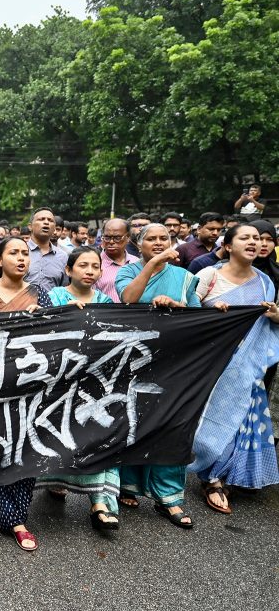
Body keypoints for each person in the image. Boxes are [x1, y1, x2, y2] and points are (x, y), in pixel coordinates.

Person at [0, 236, 52, 552]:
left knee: (24, 448)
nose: (21, 258)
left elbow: (56, 338)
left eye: (24, 254)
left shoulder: (40, 294)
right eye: (13, 253)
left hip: (30, 384)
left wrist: (40, 320)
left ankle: (16, 518)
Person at [189, 224, 279, 514]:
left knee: (242, 418)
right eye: (246, 238)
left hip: (249, 365)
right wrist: (212, 316)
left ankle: (224, 475)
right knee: (212, 419)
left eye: (258, 238)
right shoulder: (208, 276)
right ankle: (210, 476)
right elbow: (186, 315)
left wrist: (276, 316)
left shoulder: (265, 282)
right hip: (212, 363)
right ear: (227, 246)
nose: (254, 242)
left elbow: (268, 324)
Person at [116, 223, 200, 529]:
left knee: (172, 424)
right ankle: (128, 486)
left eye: (163, 238)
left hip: (175, 362)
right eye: (150, 239)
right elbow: (128, 300)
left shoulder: (186, 277)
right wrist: (152, 265)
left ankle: (169, 498)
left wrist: (178, 306)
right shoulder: (128, 271)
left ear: (173, 241)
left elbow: (197, 317)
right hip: (135, 360)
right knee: (132, 420)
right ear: (139, 245)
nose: (158, 242)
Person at [39, 246, 120, 531]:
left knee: (100, 434)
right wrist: (63, 313)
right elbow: (40, 329)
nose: (89, 271)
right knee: (61, 433)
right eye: (82, 265)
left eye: (95, 266)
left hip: (96, 380)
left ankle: (101, 503)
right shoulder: (54, 298)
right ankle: (58, 482)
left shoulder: (107, 301)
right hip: (60, 380)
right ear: (68, 270)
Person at [94, 218, 139, 302]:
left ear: (128, 238)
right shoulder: (94, 263)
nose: (111, 241)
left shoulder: (137, 263)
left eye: (117, 238)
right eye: (107, 237)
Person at [25, 208, 68, 294]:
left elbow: (64, 289)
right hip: (21, 306)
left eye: (50, 220)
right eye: (41, 219)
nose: (46, 222)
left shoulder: (63, 256)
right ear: (30, 226)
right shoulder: (20, 252)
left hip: (53, 306)